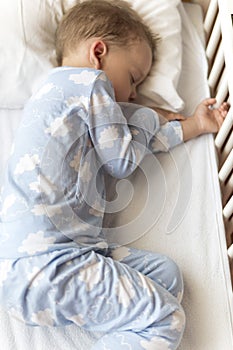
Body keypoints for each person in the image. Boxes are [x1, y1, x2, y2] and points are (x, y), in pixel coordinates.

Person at [0, 1, 229, 349]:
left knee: (166, 278)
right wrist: (147, 113)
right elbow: (121, 159)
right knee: (165, 319)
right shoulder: (89, 84)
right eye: (133, 77)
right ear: (98, 53)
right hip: (49, 263)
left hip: (39, 265)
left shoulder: (53, 95)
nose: (135, 92)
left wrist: (194, 125)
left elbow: (126, 138)